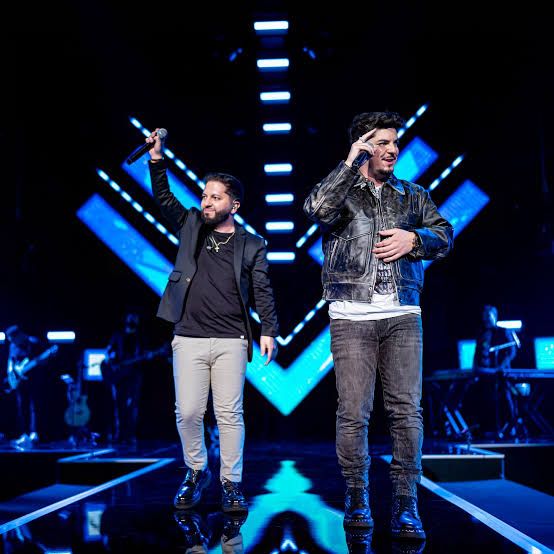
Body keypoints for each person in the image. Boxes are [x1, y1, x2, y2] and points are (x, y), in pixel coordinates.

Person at [304, 111, 454, 538]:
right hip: (351, 315)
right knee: (353, 413)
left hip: (403, 313)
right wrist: (349, 163)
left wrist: (416, 239)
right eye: (382, 142)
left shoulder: (413, 195)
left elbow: (445, 235)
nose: (391, 150)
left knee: (406, 411)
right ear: (364, 146)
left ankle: (406, 503)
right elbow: (316, 209)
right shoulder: (343, 190)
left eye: (395, 142)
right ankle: (357, 497)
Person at [146, 129, 279, 513]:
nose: (206, 201)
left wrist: (269, 329)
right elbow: (164, 198)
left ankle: (231, 483)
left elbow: (263, 289)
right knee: (188, 412)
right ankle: (195, 470)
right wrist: (157, 158)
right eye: (205, 195)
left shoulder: (252, 244)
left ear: (233, 205)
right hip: (188, 335)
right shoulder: (191, 225)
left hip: (231, 339)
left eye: (215, 197)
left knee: (229, 414)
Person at [103, 309, 150, 446]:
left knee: (132, 405)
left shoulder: (140, 337)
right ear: (126, 319)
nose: (133, 320)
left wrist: (148, 355)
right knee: (119, 405)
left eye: (135, 318)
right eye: (130, 317)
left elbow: (145, 354)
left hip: (134, 375)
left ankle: (130, 435)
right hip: (118, 375)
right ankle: (119, 434)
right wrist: (111, 359)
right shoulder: (118, 335)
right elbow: (108, 351)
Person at [4, 325, 43, 449]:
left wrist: (39, 362)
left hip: (34, 379)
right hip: (20, 381)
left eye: (13, 340)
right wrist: (10, 371)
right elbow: (11, 360)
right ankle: (24, 434)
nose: (13, 342)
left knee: (34, 406)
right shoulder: (12, 346)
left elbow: (42, 359)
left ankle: (34, 433)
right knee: (21, 407)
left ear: (19, 335)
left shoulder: (33, 342)